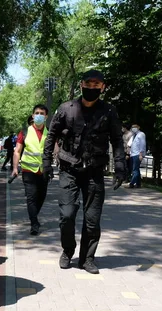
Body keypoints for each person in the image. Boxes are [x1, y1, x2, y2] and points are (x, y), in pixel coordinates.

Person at [43, 69, 126, 274]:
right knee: (67, 214)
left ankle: (87, 258)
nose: (92, 88)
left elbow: (116, 140)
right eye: (88, 84)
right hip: (69, 169)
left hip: (95, 171)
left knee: (92, 219)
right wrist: (46, 163)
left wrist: (120, 166)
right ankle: (67, 250)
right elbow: (51, 135)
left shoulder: (109, 111)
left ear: (103, 88)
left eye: (97, 85)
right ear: (81, 85)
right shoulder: (66, 109)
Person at [12, 105, 50, 235]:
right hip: (28, 171)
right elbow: (17, 151)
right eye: (37, 113)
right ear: (33, 115)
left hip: (44, 171)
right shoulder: (25, 132)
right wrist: (15, 168)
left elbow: (55, 149)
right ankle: (34, 224)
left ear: (46, 117)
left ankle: (34, 215)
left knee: (41, 197)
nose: (39, 115)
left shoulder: (49, 133)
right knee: (31, 198)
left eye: (42, 113)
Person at [127, 124, 146, 189]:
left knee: (135, 170)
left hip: (138, 154)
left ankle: (131, 184)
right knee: (136, 169)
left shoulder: (141, 134)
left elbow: (142, 144)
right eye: (132, 127)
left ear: (138, 127)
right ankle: (138, 184)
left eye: (134, 127)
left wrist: (141, 154)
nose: (133, 128)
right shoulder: (134, 135)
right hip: (133, 154)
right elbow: (129, 144)